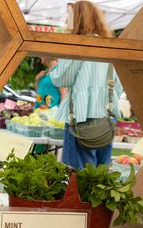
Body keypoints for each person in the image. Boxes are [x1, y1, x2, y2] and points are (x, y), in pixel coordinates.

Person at [50, 1, 123, 170]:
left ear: (78, 18)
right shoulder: (111, 46)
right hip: (107, 117)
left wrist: (54, 69)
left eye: (69, 16)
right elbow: (119, 86)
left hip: (80, 116)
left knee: (76, 176)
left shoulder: (78, 45)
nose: (66, 21)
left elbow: (62, 78)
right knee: (100, 176)